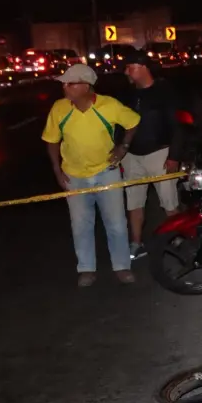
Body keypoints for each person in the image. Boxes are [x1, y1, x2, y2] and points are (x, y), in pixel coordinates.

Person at [41, 63, 141, 287]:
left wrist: (123, 146)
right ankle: (86, 268)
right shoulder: (59, 108)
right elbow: (51, 141)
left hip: (106, 172)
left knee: (115, 222)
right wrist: (57, 171)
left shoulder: (109, 105)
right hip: (74, 176)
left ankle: (122, 266)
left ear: (86, 87)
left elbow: (133, 121)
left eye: (70, 83)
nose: (65, 87)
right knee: (81, 224)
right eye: (64, 83)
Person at [122, 50, 184, 260]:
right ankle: (136, 243)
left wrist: (174, 155)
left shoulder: (165, 91)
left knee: (169, 202)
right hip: (132, 157)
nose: (126, 72)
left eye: (131, 67)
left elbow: (177, 126)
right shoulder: (128, 95)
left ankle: (177, 237)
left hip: (160, 153)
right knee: (134, 203)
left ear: (143, 67)